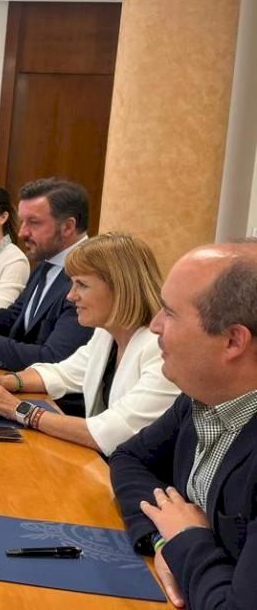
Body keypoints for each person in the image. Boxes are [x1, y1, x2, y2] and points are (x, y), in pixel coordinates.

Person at [110, 241, 257, 609]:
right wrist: (162, 540)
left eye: (170, 313)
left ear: (233, 340)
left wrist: (186, 541)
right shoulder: (202, 396)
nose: (154, 325)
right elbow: (129, 458)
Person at [0, 233, 180, 456]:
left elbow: (111, 431)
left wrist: (19, 409)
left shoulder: (159, 350)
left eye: (81, 285)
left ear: (121, 288)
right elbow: (64, 372)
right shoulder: (106, 335)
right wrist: (5, 381)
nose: (70, 296)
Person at [0, 178, 95, 387]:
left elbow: (54, 359)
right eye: (22, 222)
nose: (22, 233)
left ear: (67, 227)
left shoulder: (90, 277)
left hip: (52, 396)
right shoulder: (46, 262)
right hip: (18, 379)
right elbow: (15, 317)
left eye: (34, 222)